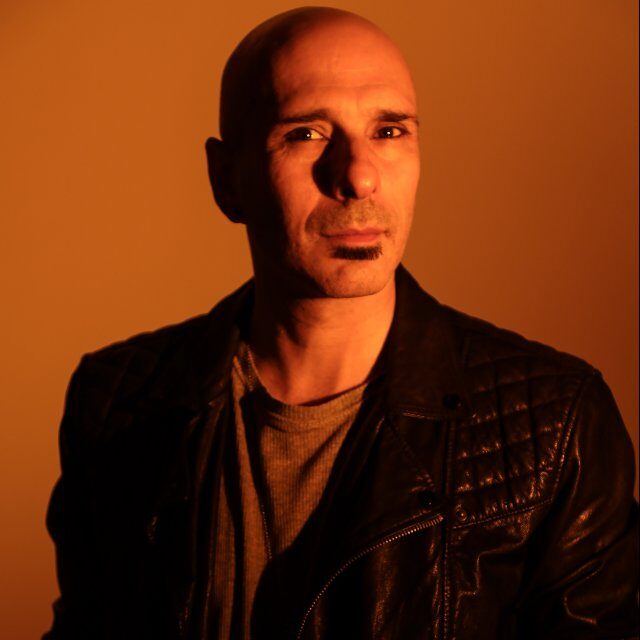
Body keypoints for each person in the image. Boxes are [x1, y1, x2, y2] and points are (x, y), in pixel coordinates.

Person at [44, 7, 638, 639]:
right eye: (307, 133)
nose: (358, 175)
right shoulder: (117, 406)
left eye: (389, 130)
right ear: (227, 178)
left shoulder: (556, 425)